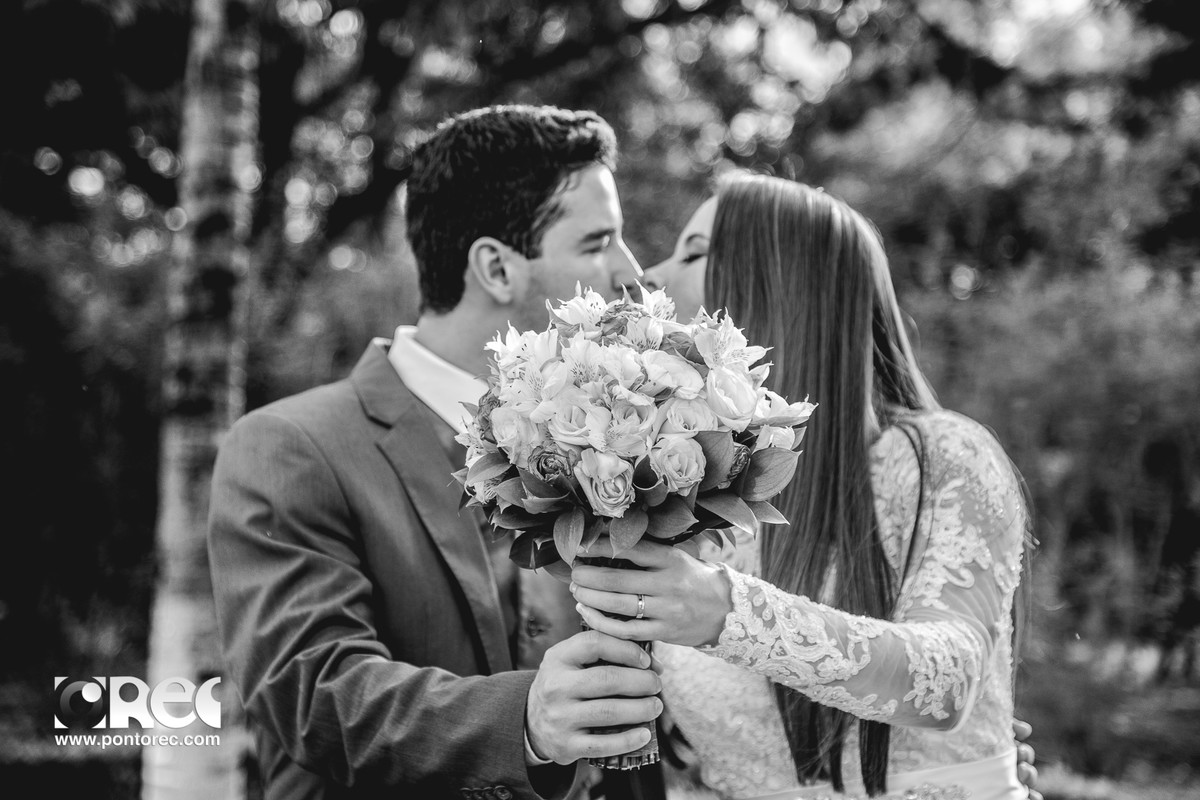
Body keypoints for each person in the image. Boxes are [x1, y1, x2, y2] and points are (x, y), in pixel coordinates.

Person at [207, 105, 665, 800]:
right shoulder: (291, 447)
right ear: (496, 269)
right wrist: (529, 727)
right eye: (598, 242)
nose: (631, 273)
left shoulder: (615, 442)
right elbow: (313, 689)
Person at [570, 175, 1038, 800]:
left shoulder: (940, 457)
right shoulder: (689, 500)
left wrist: (726, 614)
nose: (651, 273)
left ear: (777, 284)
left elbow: (945, 680)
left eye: (693, 252)